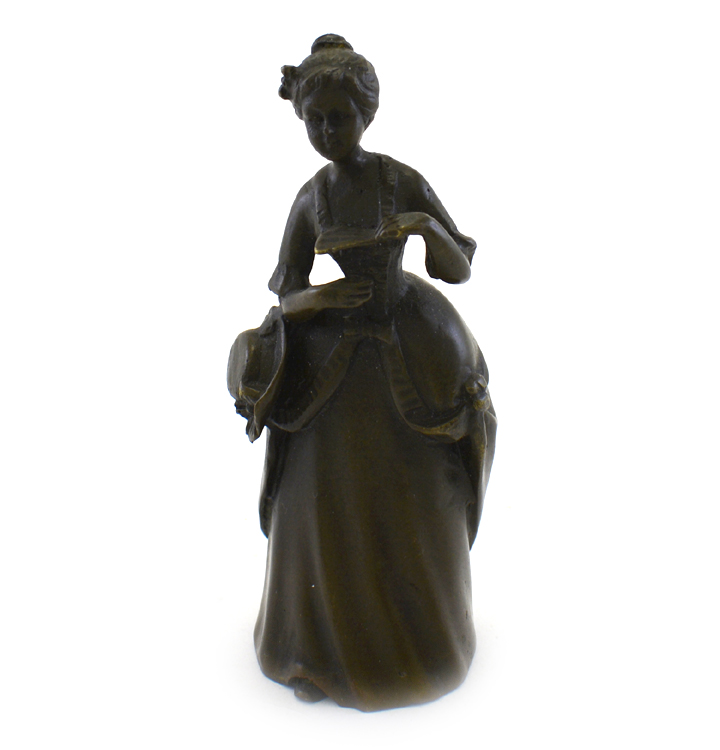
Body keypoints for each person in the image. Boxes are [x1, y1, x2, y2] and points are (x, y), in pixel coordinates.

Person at [229, 34, 496, 711]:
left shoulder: (400, 179)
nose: (328, 132)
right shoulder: (311, 196)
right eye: (315, 120)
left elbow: (459, 266)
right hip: (331, 359)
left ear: (366, 114)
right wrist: (323, 299)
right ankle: (313, 645)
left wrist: (422, 226)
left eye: (340, 117)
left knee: (413, 488)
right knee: (324, 492)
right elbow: (287, 291)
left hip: (413, 339)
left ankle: (421, 645)